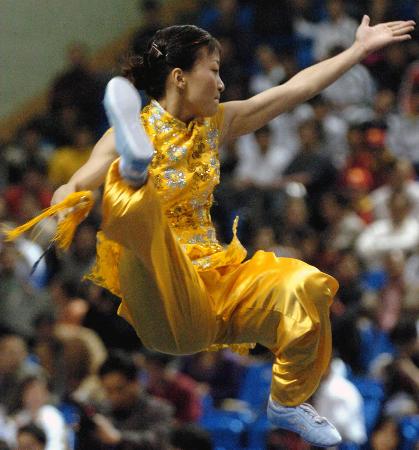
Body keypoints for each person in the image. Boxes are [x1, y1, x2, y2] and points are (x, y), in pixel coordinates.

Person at [7, 18, 415, 448]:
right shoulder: (126, 133)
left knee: (307, 286)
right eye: (213, 71)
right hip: (159, 295)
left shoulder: (217, 123)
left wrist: (355, 52)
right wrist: (69, 196)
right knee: (141, 214)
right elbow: (78, 180)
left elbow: (294, 90)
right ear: (180, 78)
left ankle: (286, 400)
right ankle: (133, 173)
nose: (221, 84)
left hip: (214, 287)